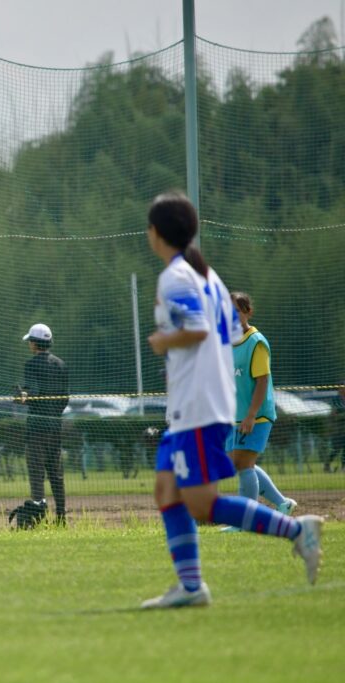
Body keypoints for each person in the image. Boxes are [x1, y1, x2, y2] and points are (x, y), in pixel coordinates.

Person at [140, 192, 323, 608]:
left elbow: (199, 329)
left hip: (199, 406)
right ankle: (190, 587)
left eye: (148, 228)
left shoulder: (177, 277)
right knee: (167, 490)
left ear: (156, 233)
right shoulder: (207, 275)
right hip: (196, 402)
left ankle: (298, 531)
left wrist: (162, 339)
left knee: (202, 505)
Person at [221, 292, 296, 532]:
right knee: (240, 462)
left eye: (236, 311)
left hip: (257, 415)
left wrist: (252, 415)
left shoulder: (256, 342)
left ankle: (247, 521)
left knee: (243, 463)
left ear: (247, 312)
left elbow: (262, 382)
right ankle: (283, 504)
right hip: (237, 416)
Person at [17, 323, 69, 526]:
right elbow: (65, 398)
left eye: (30, 340)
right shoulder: (61, 364)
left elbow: (34, 393)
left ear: (34, 343)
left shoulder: (30, 365)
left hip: (36, 428)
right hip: (55, 426)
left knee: (37, 473)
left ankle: (37, 515)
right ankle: (61, 516)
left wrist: (22, 398)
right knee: (56, 474)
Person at [325, 381, 345, 473]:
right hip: (338, 428)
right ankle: (327, 466)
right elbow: (333, 413)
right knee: (336, 449)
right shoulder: (335, 399)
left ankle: (343, 467)